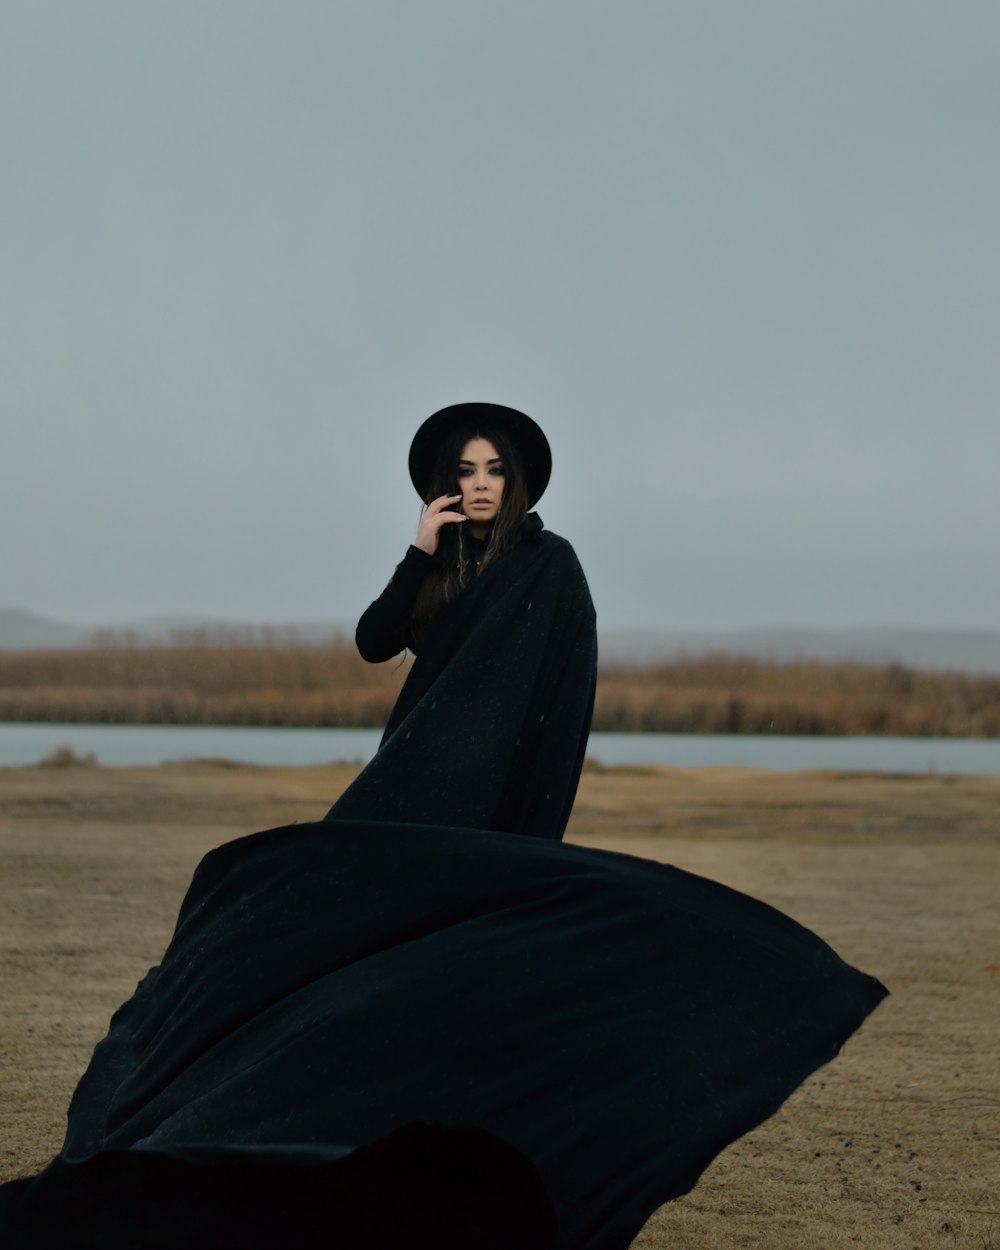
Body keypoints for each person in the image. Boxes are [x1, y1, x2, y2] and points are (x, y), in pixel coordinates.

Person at [0, 404, 887, 1250]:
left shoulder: (550, 565)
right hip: (406, 775)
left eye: (496, 468)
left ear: (521, 479)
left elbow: (547, 703)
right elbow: (375, 642)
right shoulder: (443, 561)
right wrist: (416, 550)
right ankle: (226, 1108)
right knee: (293, 921)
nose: (482, 482)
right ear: (443, 482)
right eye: (465, 470)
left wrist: (521, 831)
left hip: (479, 798)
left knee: (430, 963)